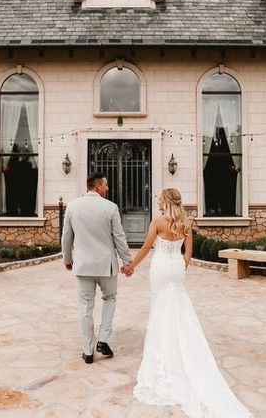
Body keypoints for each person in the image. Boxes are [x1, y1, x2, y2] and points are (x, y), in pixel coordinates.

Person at [123, 188, 253, 418]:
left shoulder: (157, 222)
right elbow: (188, 253)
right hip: (175, 268)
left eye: (161, 199)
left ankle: (164, 355)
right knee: (178, 308)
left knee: (160, 309)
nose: (158, 202)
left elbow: (145, 247)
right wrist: (180, 267)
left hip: (161, 267)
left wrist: (131, 267)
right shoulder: (185, 223)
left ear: (167, 202)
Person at [62, 172, 133, 364]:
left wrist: (67, 259)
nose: (108, 188)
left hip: (83, 265)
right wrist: (128, 262)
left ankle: (87, 351)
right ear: (99, 186)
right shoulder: (110, 207)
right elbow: (119, 237)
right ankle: (103, 340)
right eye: (106, 185)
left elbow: (66, 237)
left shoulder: (72, 207)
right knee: (110, 299)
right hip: (106, 265)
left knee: (85, 307)